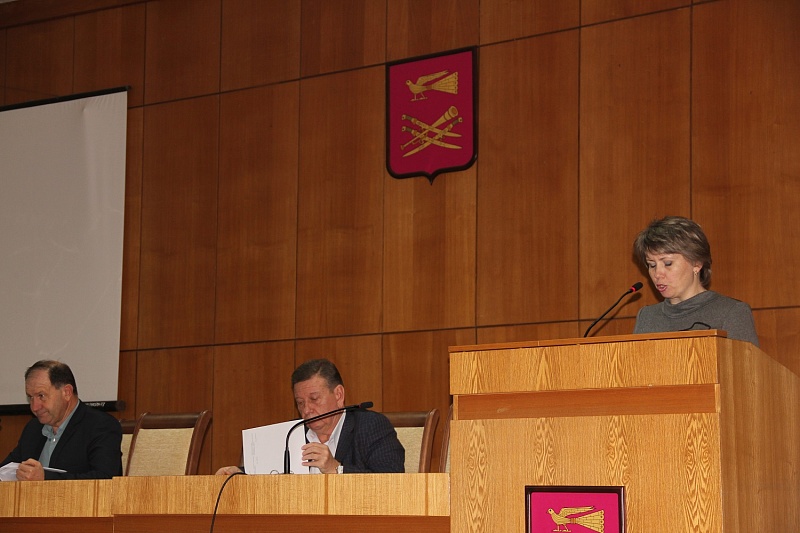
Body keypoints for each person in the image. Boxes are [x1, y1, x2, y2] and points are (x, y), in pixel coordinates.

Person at [217, 358, 404, 475]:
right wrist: (238, 474)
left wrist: (336, 469)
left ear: (338, 395)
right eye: (300, 402)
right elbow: (267, 472)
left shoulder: (370, 426)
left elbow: (391, 479)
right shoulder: (291, 432)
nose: (306, 409)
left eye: (314, 399)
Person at [632, 215, 759, 347]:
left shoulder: (731, 312)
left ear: (697, 263)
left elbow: (746, 360)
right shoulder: (647, 317)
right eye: (652, 265)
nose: (657, 274)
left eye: (668, 263)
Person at [1, 360, 123, 480]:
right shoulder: (33, 428)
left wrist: (46, 478)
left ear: (67, 392)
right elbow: (5, 470)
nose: (34, 407)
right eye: (30, 397)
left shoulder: (101, 426)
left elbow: (105, 479)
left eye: (41, 396)